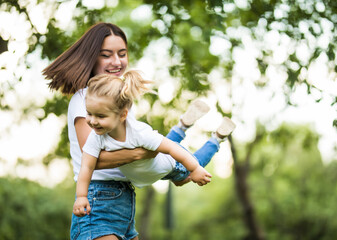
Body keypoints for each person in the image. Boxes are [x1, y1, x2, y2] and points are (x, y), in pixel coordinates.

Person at [42, 22, 235, 240]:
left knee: (177, 167)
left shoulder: (119, 102)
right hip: (98, 198)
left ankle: (187, 130)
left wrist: (148, 152)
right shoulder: (86, 100)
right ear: (92, 56)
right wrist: (141, 153)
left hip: (125, 196)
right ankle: (197, 134)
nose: (117, 62)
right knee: (178, 167)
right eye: (107, 55)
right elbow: (94, 158)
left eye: (122, 54)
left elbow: (147, 143)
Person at [73, 71, 232, 217]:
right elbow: (86, 166)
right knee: (162, 148)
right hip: (157, 166)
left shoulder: (138, 132)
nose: (92, 121)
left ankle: (217, 138)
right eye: (89, 113)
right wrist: (81, 196)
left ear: (123, 115)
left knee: (189, 169)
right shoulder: (96, 137)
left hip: (173, 165)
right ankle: (182, 125)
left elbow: (171, 148)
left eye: (100, 116)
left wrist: (195, 168)